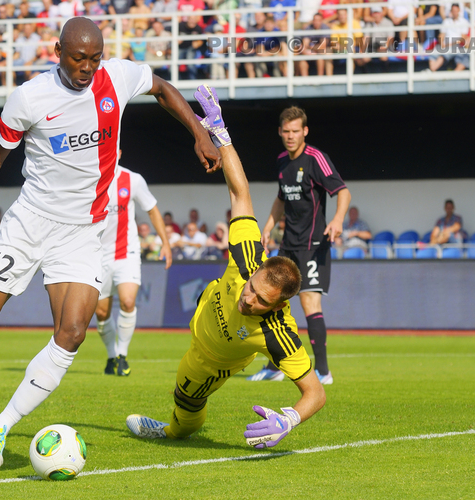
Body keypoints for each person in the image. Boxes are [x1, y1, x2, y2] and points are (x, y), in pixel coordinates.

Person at [0, 17, 220, 469]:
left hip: (84, 230)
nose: (87, 68)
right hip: (30, 223)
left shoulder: (117, 77)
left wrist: (199, 132)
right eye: (78, 58)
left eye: (95, 58)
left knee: (72, 332)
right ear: (58, 50)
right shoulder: (29, 97)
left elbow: (162, 88)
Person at [126, 86, 326, 446]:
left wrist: (290, 418)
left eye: (260, 301)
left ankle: (172, 429)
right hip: (206, 310)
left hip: (211, 359)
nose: (248, 299)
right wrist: (220, 133)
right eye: (252, 288)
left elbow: (316, 392)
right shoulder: (250, 259)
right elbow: (240, 192)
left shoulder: (277, 333)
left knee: (184, 405)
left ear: (279, 306)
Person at [251, 106, 350, 385]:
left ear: (305, 131)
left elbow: (342, 191)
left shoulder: (317, 158)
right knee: (271, 301)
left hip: (313, 244)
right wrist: (268, 227)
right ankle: (274, 366)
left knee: (309, 303)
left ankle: (323, 372)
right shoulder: (283, 160)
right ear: (280, 132)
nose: (291, 136)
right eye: (286, 131)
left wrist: (338, 219)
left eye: (296, 131)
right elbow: (281, 198)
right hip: (288, 245)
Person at [95, 160, 172, 376]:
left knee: (128, 301)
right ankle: (111, 356)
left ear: (118, 152)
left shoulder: (133, 179)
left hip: (126, 252)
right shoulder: (88, 176)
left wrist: (165, 243)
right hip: (96, 256)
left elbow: (152, 210)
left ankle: (121, 355)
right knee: (101, 313)